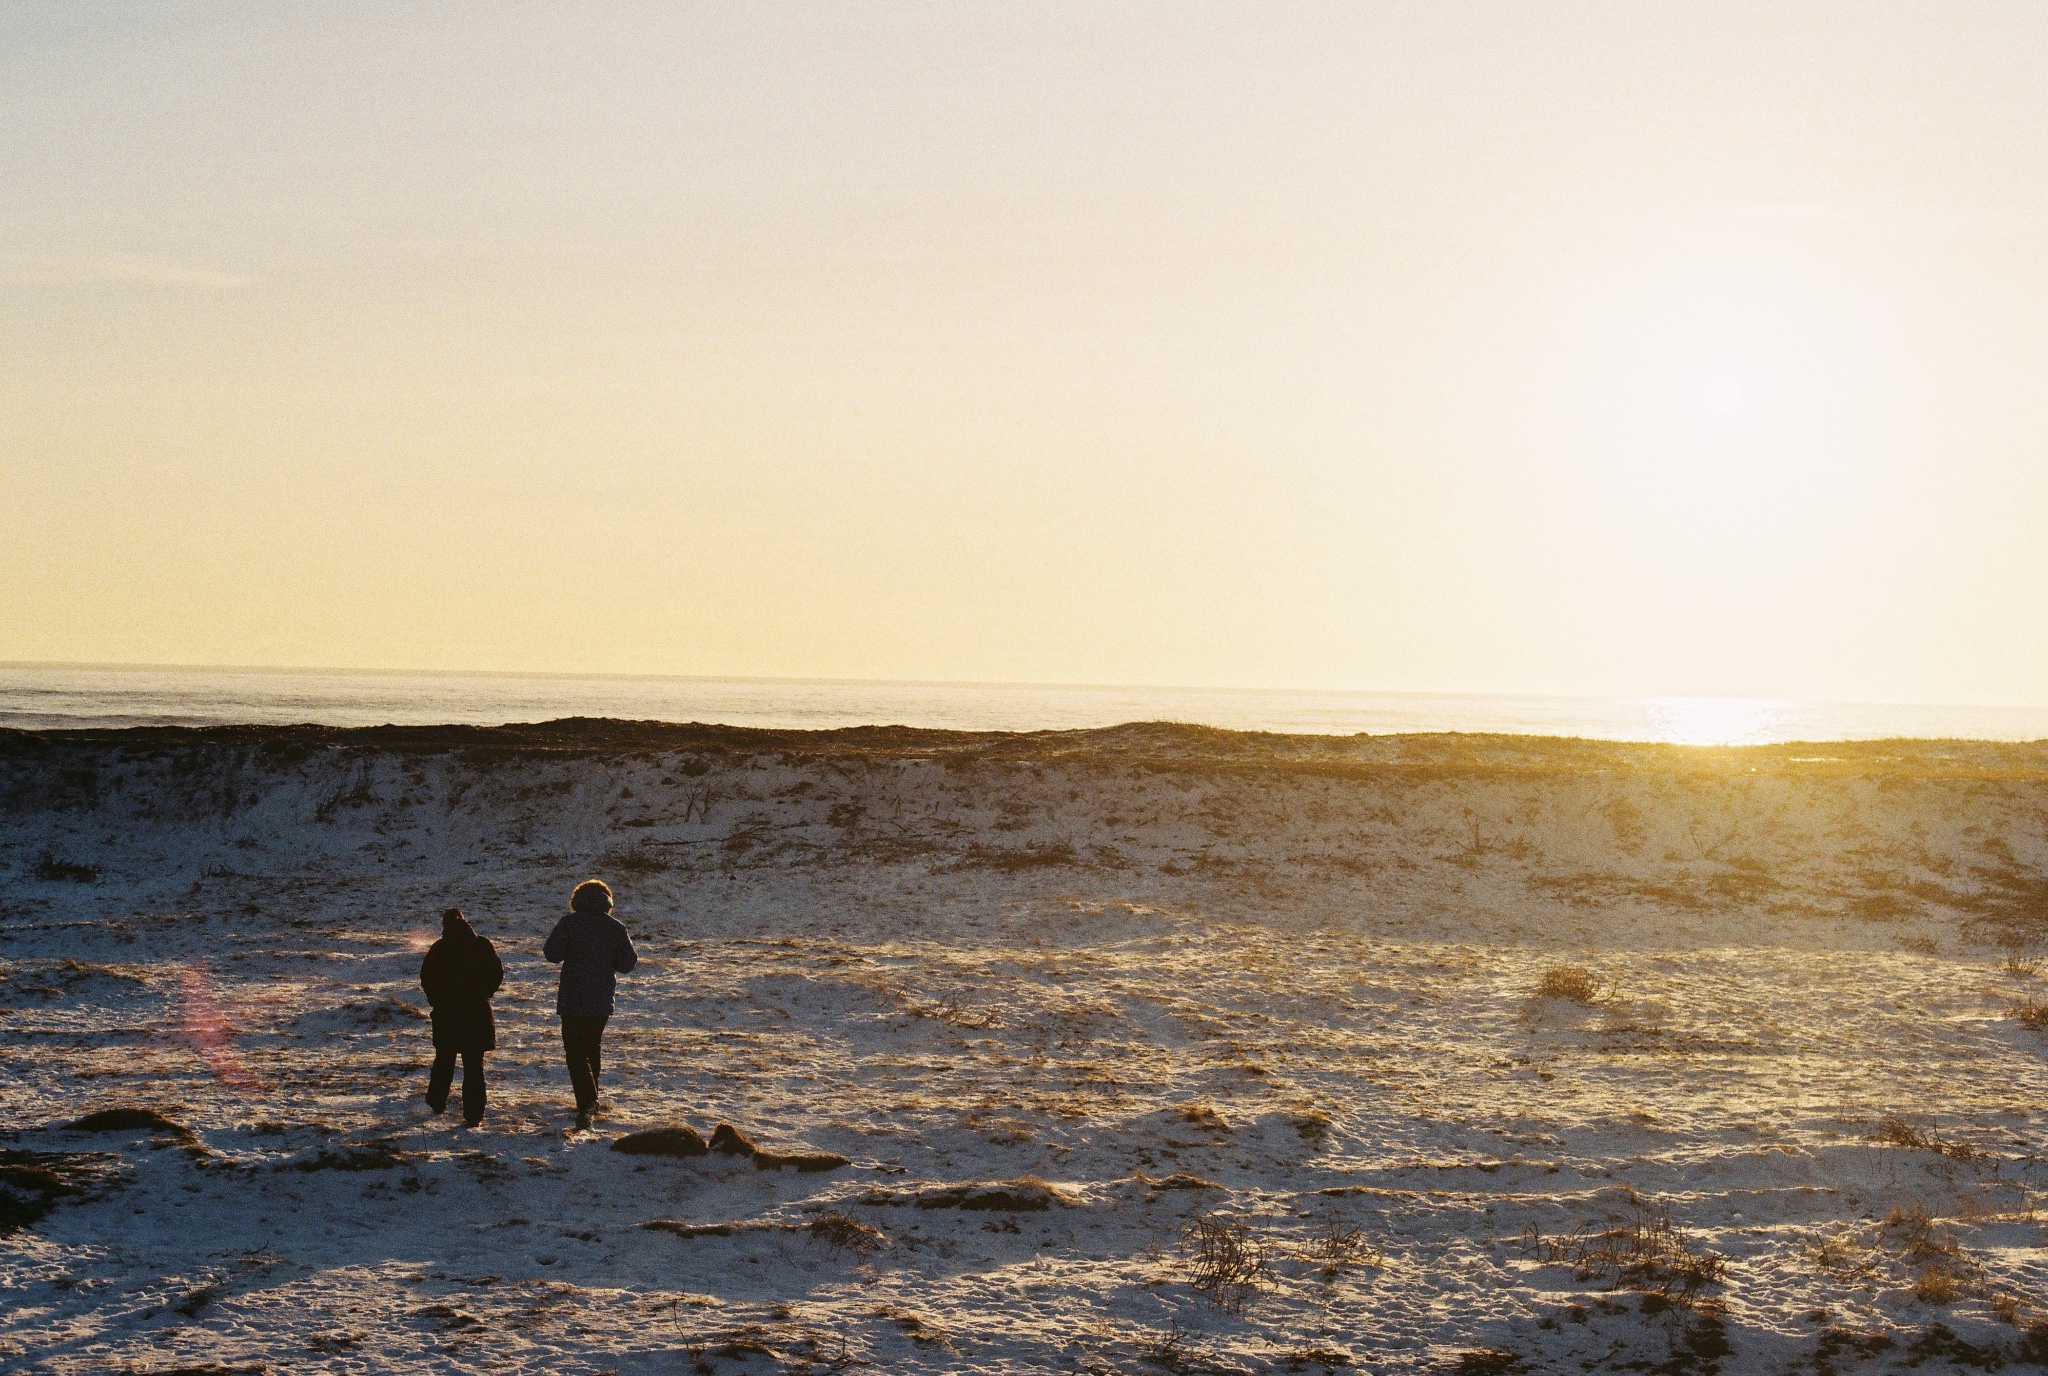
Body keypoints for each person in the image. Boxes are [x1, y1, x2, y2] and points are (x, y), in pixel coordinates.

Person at [543, 879, 638, 1130]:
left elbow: (552, 954)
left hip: (573, 999)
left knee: (575, 1051)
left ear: (577, 900)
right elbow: (628, 962)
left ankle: (587, 1102)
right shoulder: (615, 927)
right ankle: (590, 1100)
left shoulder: (568, 923)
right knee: (591, 1047)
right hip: (600, 1000)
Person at [419, 908, 504, 1127]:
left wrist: (437, 1001)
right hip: (477, 1012)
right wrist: (485, 992)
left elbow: (427, 978)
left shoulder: (439, 949)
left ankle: (436, 1103)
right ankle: (474, 1114)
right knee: (474, 1065)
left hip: (447, 1014)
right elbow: (496, 972)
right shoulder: (481, 945)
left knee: (444, 1061)